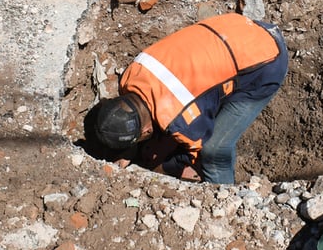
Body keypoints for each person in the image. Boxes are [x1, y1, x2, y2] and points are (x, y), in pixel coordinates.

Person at [86, 13, 288, 184]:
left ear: (147, 131)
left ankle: (226, 199)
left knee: (214, 152)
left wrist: (163, 168)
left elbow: (197, 152)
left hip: (266, 60)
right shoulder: (131, 75)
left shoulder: (180, 119)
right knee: (202, 101)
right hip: (235, 28)